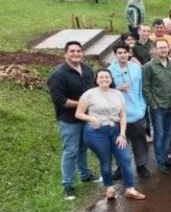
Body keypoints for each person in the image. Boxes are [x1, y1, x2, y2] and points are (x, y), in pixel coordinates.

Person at [75, 69, 146, 201]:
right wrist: (91, 119)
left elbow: (123, 115)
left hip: (115, 130)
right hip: (96, 133)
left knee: (125, 158)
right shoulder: (89, 94)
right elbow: (79, 113)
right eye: (101, 77)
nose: (104, 79)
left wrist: (123, 134)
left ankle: (130, 188)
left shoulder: (118, 94)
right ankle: (109, 187)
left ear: (111, 79)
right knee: (105, 160)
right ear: (96, 79)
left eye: (107, 77)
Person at [47, 41, 101, 200]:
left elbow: (92, 91)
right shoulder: (58, 74)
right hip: (69, 120)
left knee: (83, 147)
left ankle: (85, 175)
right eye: (72, 51)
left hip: (85, 117)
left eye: (78, 51)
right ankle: (68, 185)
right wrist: (82, 105)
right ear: (66, 54)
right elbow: (59, 100)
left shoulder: (87, 70)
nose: (76, 54)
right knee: (70, 151)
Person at [108, 43, 151, 180]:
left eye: (125, 52)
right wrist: (117, 89)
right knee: (120, 142)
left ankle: (141, 165)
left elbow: (141, 88)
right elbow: (104, 91)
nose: (122, 55)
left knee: (139, 140)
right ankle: (121, 167)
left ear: (129, 53)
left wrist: (142, 106)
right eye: (119, 53)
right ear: (115, 54)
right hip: (119, 114)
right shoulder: (109, 71)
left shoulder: (136, 68)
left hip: (137, 111)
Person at [142, 39, 171, 174]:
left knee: (168, 133)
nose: (163, 50)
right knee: (159, 134)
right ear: (155, 50)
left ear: (168, 48)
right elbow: (146, 88)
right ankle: (160, 161)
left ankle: (165, 158)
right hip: (157, 107)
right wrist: (153, 104)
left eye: (165, 47)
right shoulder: (148, 66)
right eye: (160, 47)